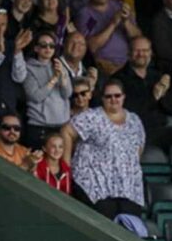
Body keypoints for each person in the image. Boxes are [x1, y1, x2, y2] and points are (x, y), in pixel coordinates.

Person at [62, 79, 146, 221]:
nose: (113, 99)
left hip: (128, 187)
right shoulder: (92, 116)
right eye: (108, 96)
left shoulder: (134, 120)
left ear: (123, 96)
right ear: (102, 98)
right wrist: (66, 166)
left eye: (117, 95)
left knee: (130, 230)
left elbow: (139, 146)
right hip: (95, 185)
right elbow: (67, 132)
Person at [113, 37, 172, 146]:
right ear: (129, 53)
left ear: (151, 53)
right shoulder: (118, 79)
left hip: (161, 129)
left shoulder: (158, 75)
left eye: (145, 50)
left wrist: (163, 94)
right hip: (135, 132)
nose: (141, 54)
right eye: (137, 50)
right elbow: (128, 112)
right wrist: (153, 96)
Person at [22, 30, 72, 149]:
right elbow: (36, 96)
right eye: (43, 45)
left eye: (51, 46)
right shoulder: (29, 68)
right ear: (36, 48)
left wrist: (63, 77)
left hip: (61, 125)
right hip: (40, 126)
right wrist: (53, 79)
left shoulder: (59, 65)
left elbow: (67, 94)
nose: (48, 49)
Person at [75, 0, 142, 76]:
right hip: (105, 67)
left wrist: (126, 22)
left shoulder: (119, 6)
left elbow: (138, 38)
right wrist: (113, 24)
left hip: (129, 62)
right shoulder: (85, 15)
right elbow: (91, 47)